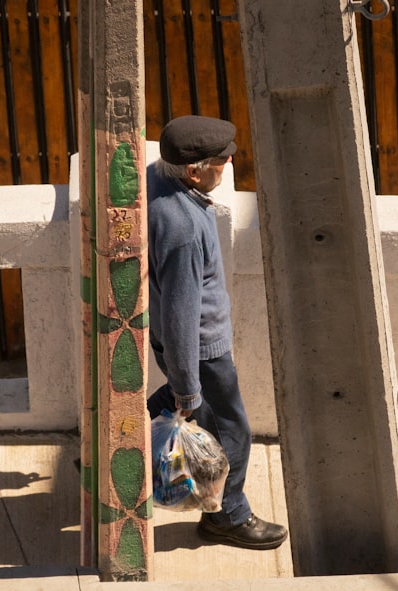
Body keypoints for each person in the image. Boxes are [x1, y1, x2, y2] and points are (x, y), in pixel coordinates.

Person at [146, 115, 288, 550]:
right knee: (230, 433)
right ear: (194, 171)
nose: (228, 166)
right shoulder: (184, 228)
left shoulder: (157, 179)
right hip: (202, 350)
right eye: (222, 162)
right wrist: (189, 387)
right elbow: (181, 314)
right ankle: (228, 517)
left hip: (187, 346)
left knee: (180, 412)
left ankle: (119, 446)